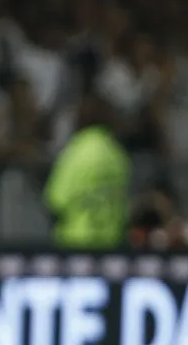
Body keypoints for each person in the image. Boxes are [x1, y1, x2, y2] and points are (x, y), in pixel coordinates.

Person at [44, 94, 131, 249]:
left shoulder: (76, 151)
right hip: (111, 244)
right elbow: (123, 202)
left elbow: (56, 199)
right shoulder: (117, 154)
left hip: (76, 243)